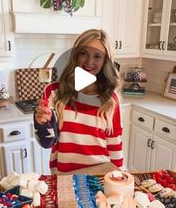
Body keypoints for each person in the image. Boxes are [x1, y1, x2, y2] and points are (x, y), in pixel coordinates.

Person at [34, 29, 123, 174]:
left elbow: (114, 143)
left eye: (97, 56)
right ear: (75, 56)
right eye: (84, 53)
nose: (89, 62)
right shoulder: (54, 92)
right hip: (64, 175)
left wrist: (120, 176)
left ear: (105, 61)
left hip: (100, 174)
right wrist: (41, 123)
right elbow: (47, 142)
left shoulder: (111, 99)